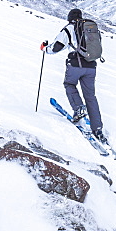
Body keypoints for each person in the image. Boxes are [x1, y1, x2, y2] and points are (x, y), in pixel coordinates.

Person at [41, 8, 107, 144]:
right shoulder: (89, 28)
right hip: (91, 66)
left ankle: (78, 108)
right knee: (90, 96)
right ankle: (98, 129)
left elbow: (57, 47)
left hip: (75, 65)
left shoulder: (70, 28)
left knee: (69, 84)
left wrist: (45, 49)